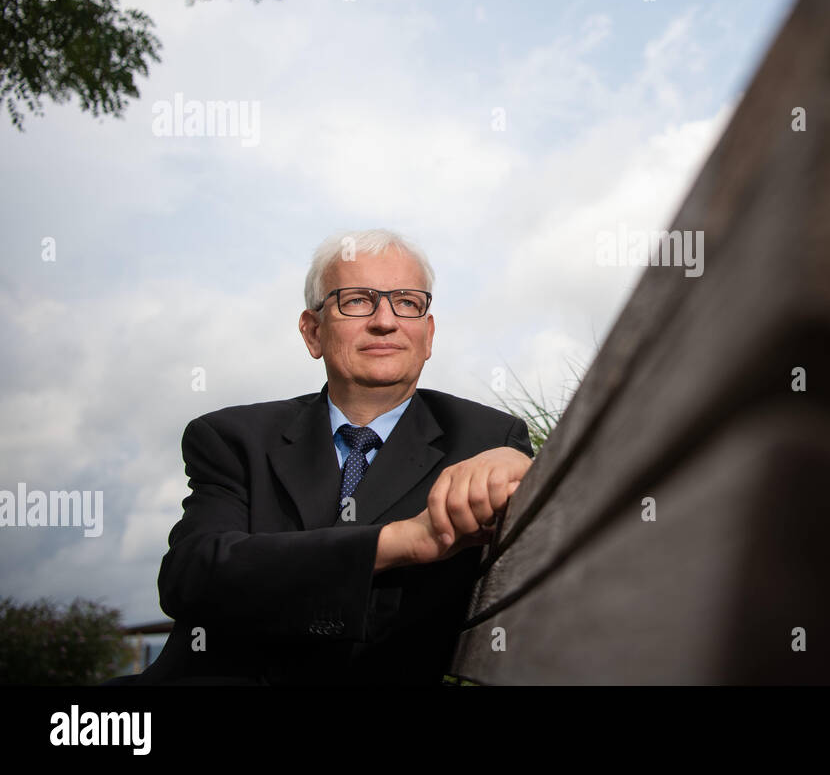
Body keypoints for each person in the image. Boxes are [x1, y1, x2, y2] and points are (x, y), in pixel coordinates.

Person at [138, 229, 534, 684]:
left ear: (427, 335)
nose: (385, 321)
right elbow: (193, 576)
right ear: (313, 332)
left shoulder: (487, 439)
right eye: (358, 300)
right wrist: (400, 541)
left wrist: (521, 473)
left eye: (406, 302)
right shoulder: (232, 438)